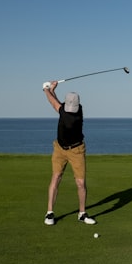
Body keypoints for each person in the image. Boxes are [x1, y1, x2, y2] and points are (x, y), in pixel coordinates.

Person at [42, 81, 97, 226]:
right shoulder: (70, 109)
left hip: (77, 151)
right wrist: (53, 89)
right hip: (60, 149)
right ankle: (49, 213)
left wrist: (46, 89)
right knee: (56, 177)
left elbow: (54, 103)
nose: (71, 109)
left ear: (77, 106)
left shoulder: (74, 113)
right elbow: (58, 103)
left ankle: (82, 213)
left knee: (80, 183)